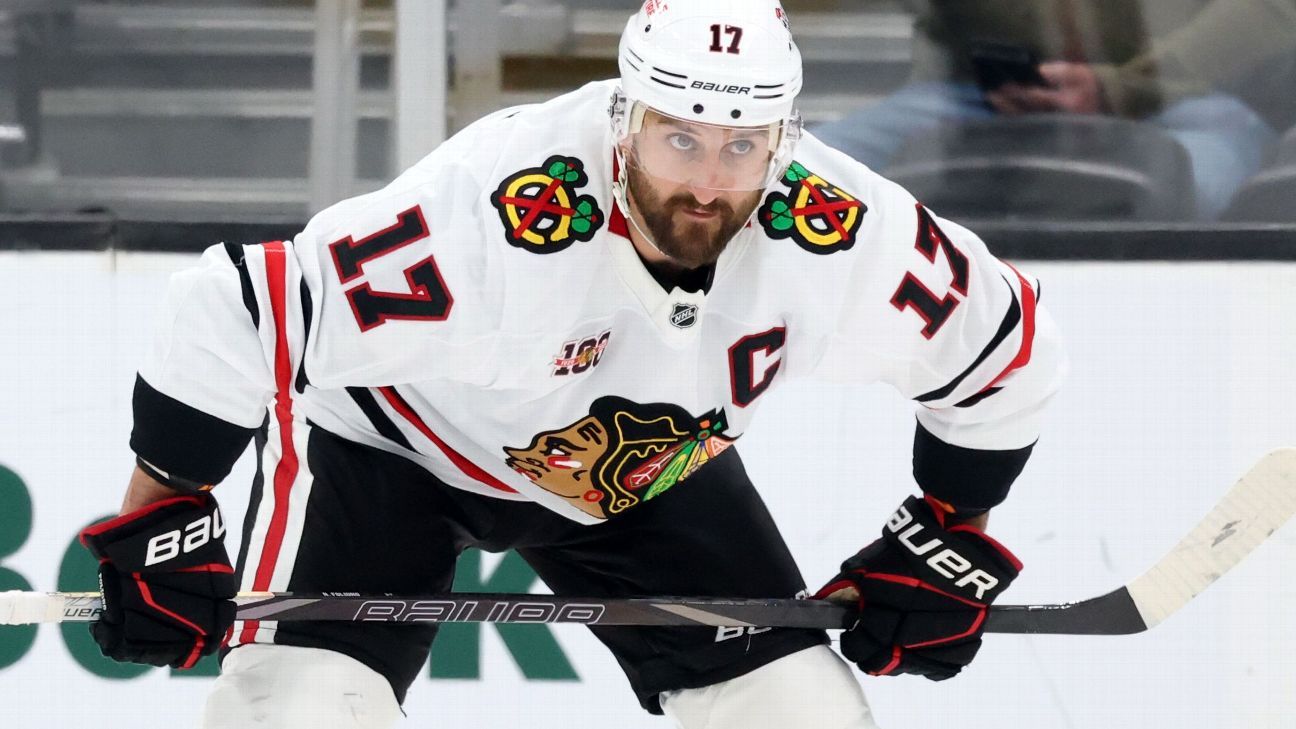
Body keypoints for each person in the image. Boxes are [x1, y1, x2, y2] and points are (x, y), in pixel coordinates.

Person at [76, 1, 1065, 727]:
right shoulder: (494, 217)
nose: (706, 184)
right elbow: (232, 309)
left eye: (741, 147)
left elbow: (1007, 346)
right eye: (680, 138)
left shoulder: (838, 227)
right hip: (392, 447)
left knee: (801, 714)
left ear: (785, 141)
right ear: (624, 119)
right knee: (296, 713)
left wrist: (949, 531)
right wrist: (161, 514)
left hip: (640, 467)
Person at [814, 0, 1293, 220]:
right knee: (805, 168)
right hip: (984, 94)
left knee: (1200, 201)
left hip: (1188, 95)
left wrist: (1126, 87)